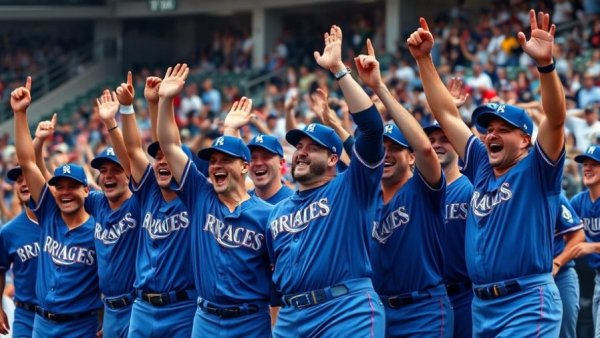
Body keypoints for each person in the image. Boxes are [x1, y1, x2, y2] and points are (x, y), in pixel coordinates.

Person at [409, 10, 566, 336]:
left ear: (525, 139)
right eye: (488, 129)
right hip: (483, 306)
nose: (491, 135)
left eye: (503, 129)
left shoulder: (538, 167)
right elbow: (445, 115)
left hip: (526, 300)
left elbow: (555, 118)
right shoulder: (481, 163)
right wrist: (425, 61)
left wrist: (545, 67)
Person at [266, 25, 385, 337]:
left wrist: (339, 70)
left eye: (313, 148)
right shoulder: (277, 212)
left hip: (345, 310)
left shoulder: (351, 187)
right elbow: (274, 283)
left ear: (334, 159)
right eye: (298, 147)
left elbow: (372, 129)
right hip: (292, 319)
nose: (301, 153)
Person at [156, 65, 274, 337]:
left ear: (244, 167)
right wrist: (165, 101)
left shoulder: (267, 215)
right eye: (212, 161)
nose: (215, 166)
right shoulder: (200, 195)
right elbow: (170, 145)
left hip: (250, 321)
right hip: (206, 319)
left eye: (224, 161)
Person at [355, 39, 451, 336]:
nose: (385, 155)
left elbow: (424, 148)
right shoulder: (366, 197)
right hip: (379, 312)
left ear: (409, 156)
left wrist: (379, 88)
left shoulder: (423, 188)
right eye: (380, 149)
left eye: (394, 148)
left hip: (424, 310)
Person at [11, 77, 102, 337]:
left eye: (72, 186)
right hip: (41, 324)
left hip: (80, 327)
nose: (65, 193)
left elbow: (111, 280)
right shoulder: (49, 213)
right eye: (59, 187)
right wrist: (20, 114)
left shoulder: (99, 230)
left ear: (86, 189)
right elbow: (28, 163)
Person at [118, 72, 196, 337]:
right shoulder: (149, 191)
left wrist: (162, 103)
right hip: (142, 305)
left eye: (167, 159)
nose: (162, 162)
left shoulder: (193, 196)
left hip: (182, 307)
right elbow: (132, 150)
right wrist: (128, 107)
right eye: (157, 159)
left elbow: (170, 143)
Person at [424, 123, 474, 338]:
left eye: (444, 139)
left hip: (466, 294)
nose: (437, 145)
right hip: (428, 299)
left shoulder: (472, 187)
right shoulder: (418, 192)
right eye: (431, 141)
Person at [0, 166, 40, 337]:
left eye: (27, 177)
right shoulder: (9, 231)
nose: (23, 184)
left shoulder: (64, 222)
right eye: (18, 180)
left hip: (66, 315)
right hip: (26, 316)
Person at [569, 144, 600, 337]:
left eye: (594, 164)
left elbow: (587, 246)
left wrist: (592, 246)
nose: (587, 168)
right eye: (584, 164)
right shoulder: (578, 201)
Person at [552, 194, 585, 338]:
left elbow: (578, 235)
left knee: (565, 332)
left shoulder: (553, 195)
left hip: (561, 275)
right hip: (527, 280)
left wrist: (558, 262)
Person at [246, 134, 293, 204]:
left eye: (266, 157)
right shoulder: (242, 202)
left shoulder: (294, 202)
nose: (258, 163)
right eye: (253, 158)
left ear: (281, 163)